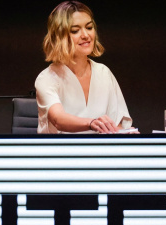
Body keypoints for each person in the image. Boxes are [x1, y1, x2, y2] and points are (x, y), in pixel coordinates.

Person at [36, 1, 136, 134]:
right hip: (61, 153)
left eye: (89, 28)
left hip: (99, 153)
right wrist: (92, 123)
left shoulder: (103, 73)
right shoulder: (47, 78)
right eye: (75, 30)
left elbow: (116, 125)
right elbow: (58, 120)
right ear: (59, 36)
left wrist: (127, 134)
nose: (86, 35)